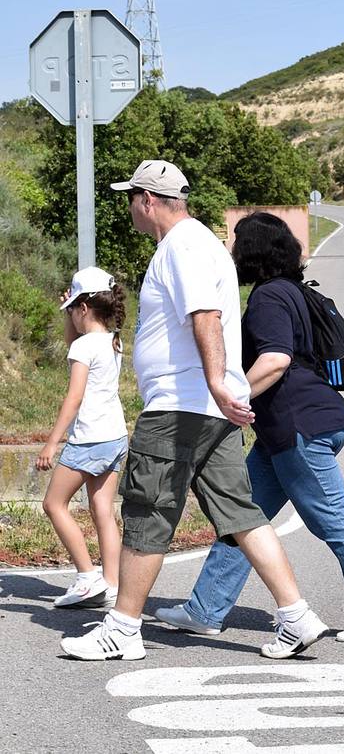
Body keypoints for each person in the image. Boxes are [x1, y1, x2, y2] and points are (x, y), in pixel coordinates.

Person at [60, 160, 327, 662]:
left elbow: (204, 314)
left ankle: (122, 629)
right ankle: (296, 617)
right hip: (212, 407)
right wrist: (223, 390)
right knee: (241, 512)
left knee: (148, 510)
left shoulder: (181, 246)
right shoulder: (205, 244)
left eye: (131, 198)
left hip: (182, 407)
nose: (130, 208)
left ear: (147, 200)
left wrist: (212, 382)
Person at [154, 212, 344, 643]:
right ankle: (205, 609)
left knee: (333, 520)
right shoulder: (295, 291)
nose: (233, 250)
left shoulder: (269, 297)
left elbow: (276, 359)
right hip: (292, 427)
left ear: (252, 251)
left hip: (298, 425)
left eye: (238, 242)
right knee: (242, 514)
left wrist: (230, 400)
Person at [38, 267, 128, 609]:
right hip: (115, 437)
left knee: (53, 504)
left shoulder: (84, 346)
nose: (71, 315)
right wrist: (69, 314)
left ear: (84, 309)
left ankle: (87, 576)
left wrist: (52, 442)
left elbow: (73, 398)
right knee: (103, 510)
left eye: (72, 309)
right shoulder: (113, 339)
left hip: (89, 439)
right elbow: (74, 341)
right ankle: (113, 585)